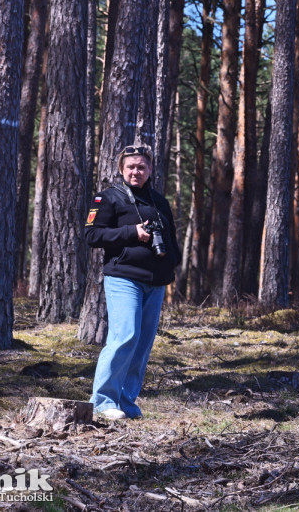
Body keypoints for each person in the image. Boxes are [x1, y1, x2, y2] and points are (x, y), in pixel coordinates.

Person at [85, 144, 181, 420]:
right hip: (124, 277)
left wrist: (172, 260)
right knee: (124, 336)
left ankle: (126, 401)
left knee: (142, 343)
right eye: (130, 167)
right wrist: (132, 232)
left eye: (141, 167)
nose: (136, 171)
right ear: (121, 169)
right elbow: (92, 235)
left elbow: (171, 238)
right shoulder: (109, 198)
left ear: (150, 170)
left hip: (156, 281)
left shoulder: (159, 201)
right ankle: (102, 401)